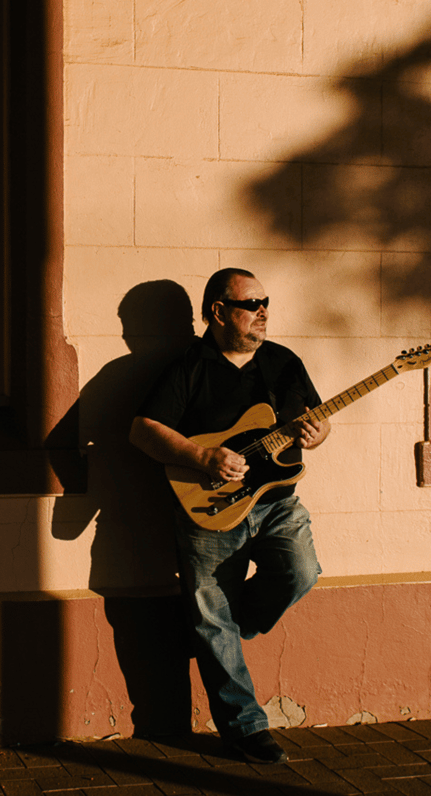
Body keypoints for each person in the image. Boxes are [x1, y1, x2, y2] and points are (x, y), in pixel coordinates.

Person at [129, 268, 329, 764]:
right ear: (217, 311)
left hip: (276, 501)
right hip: (209, 509)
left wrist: (316, 434)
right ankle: (244, 728)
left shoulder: (283, 363)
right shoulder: (188, 368)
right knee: (209, 616)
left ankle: (221, 631)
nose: (263, 311)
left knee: (299, 573)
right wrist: (203, 458)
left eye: (266, 302)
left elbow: (319, 423)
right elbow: (143, 430)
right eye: (250, 303)